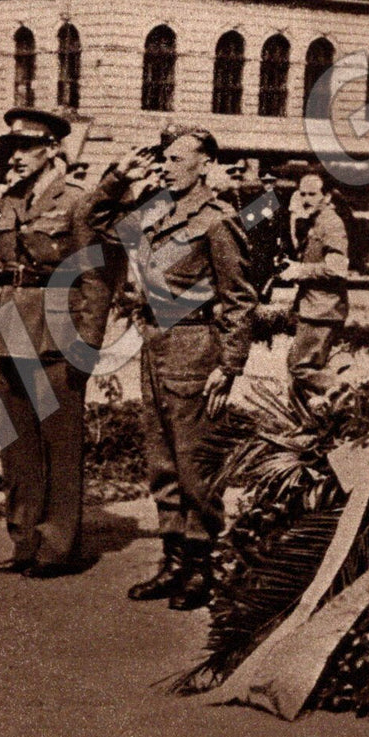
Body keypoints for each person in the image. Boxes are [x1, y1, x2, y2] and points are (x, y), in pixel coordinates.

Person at [89, 129, 257, 609]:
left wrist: (230, 365)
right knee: (162, 461)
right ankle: (173, 561)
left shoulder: (218, 220)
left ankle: (201, 567)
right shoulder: (154, 209)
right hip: (155, 344)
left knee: (194, 462)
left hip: (196, 347)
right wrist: (120, 176)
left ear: (205, 164)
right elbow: (98, 221)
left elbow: (240, 298)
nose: (166, 166)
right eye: (164, 159)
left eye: (177, 159)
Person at [0, 108, 116, 578]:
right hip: (12, 327)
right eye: (9, 149)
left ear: (53, 149)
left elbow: (95, 277)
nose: (14, 158)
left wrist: (89, 342)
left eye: (24, 148)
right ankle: (25, 541)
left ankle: (57, 547)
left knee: (59, 441)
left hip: (58, 333)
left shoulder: (79, 200)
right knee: (19, 444)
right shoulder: (8, 201)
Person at [280, 173, 350, 401]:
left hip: (323, 310)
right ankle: (308, 422)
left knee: (300, 367)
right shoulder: (316, 221)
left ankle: (352, 393)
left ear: (327, 196)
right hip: (315, 307)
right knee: (299, 369)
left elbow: (337, 268)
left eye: (312, 194)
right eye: (302, 194)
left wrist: (301, 271)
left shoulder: (331, 223)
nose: (306, 199)